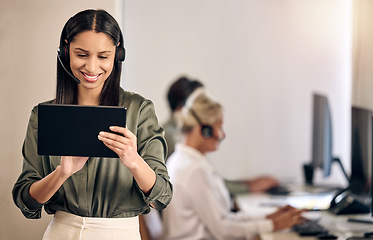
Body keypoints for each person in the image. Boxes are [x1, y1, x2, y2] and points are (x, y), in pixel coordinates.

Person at [12, 9, 172, 240]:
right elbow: (26, 201)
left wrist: (134, 161)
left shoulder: (140, 110)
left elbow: (163, 196)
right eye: (82, 54)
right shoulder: (42, 115)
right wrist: (61, 173)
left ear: (117, 54)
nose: (92, 67)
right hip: (62, 232)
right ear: (65, 51)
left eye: (103, 56)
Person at [162, 88, 303, 239]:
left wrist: (269, 217)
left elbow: (224, 218)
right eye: (219, 126)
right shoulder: (192, 170)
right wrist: (272, 225)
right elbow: (223, 230)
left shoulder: (183, 160)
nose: (223, 134)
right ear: (205, 130)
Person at [163, 76, 279, 196]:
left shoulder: (178, 136)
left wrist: (247, 182)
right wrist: (250, 188)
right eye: (200, 101)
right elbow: (208, 185)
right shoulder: (176, 139)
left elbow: (211, 181)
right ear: (182, 107)